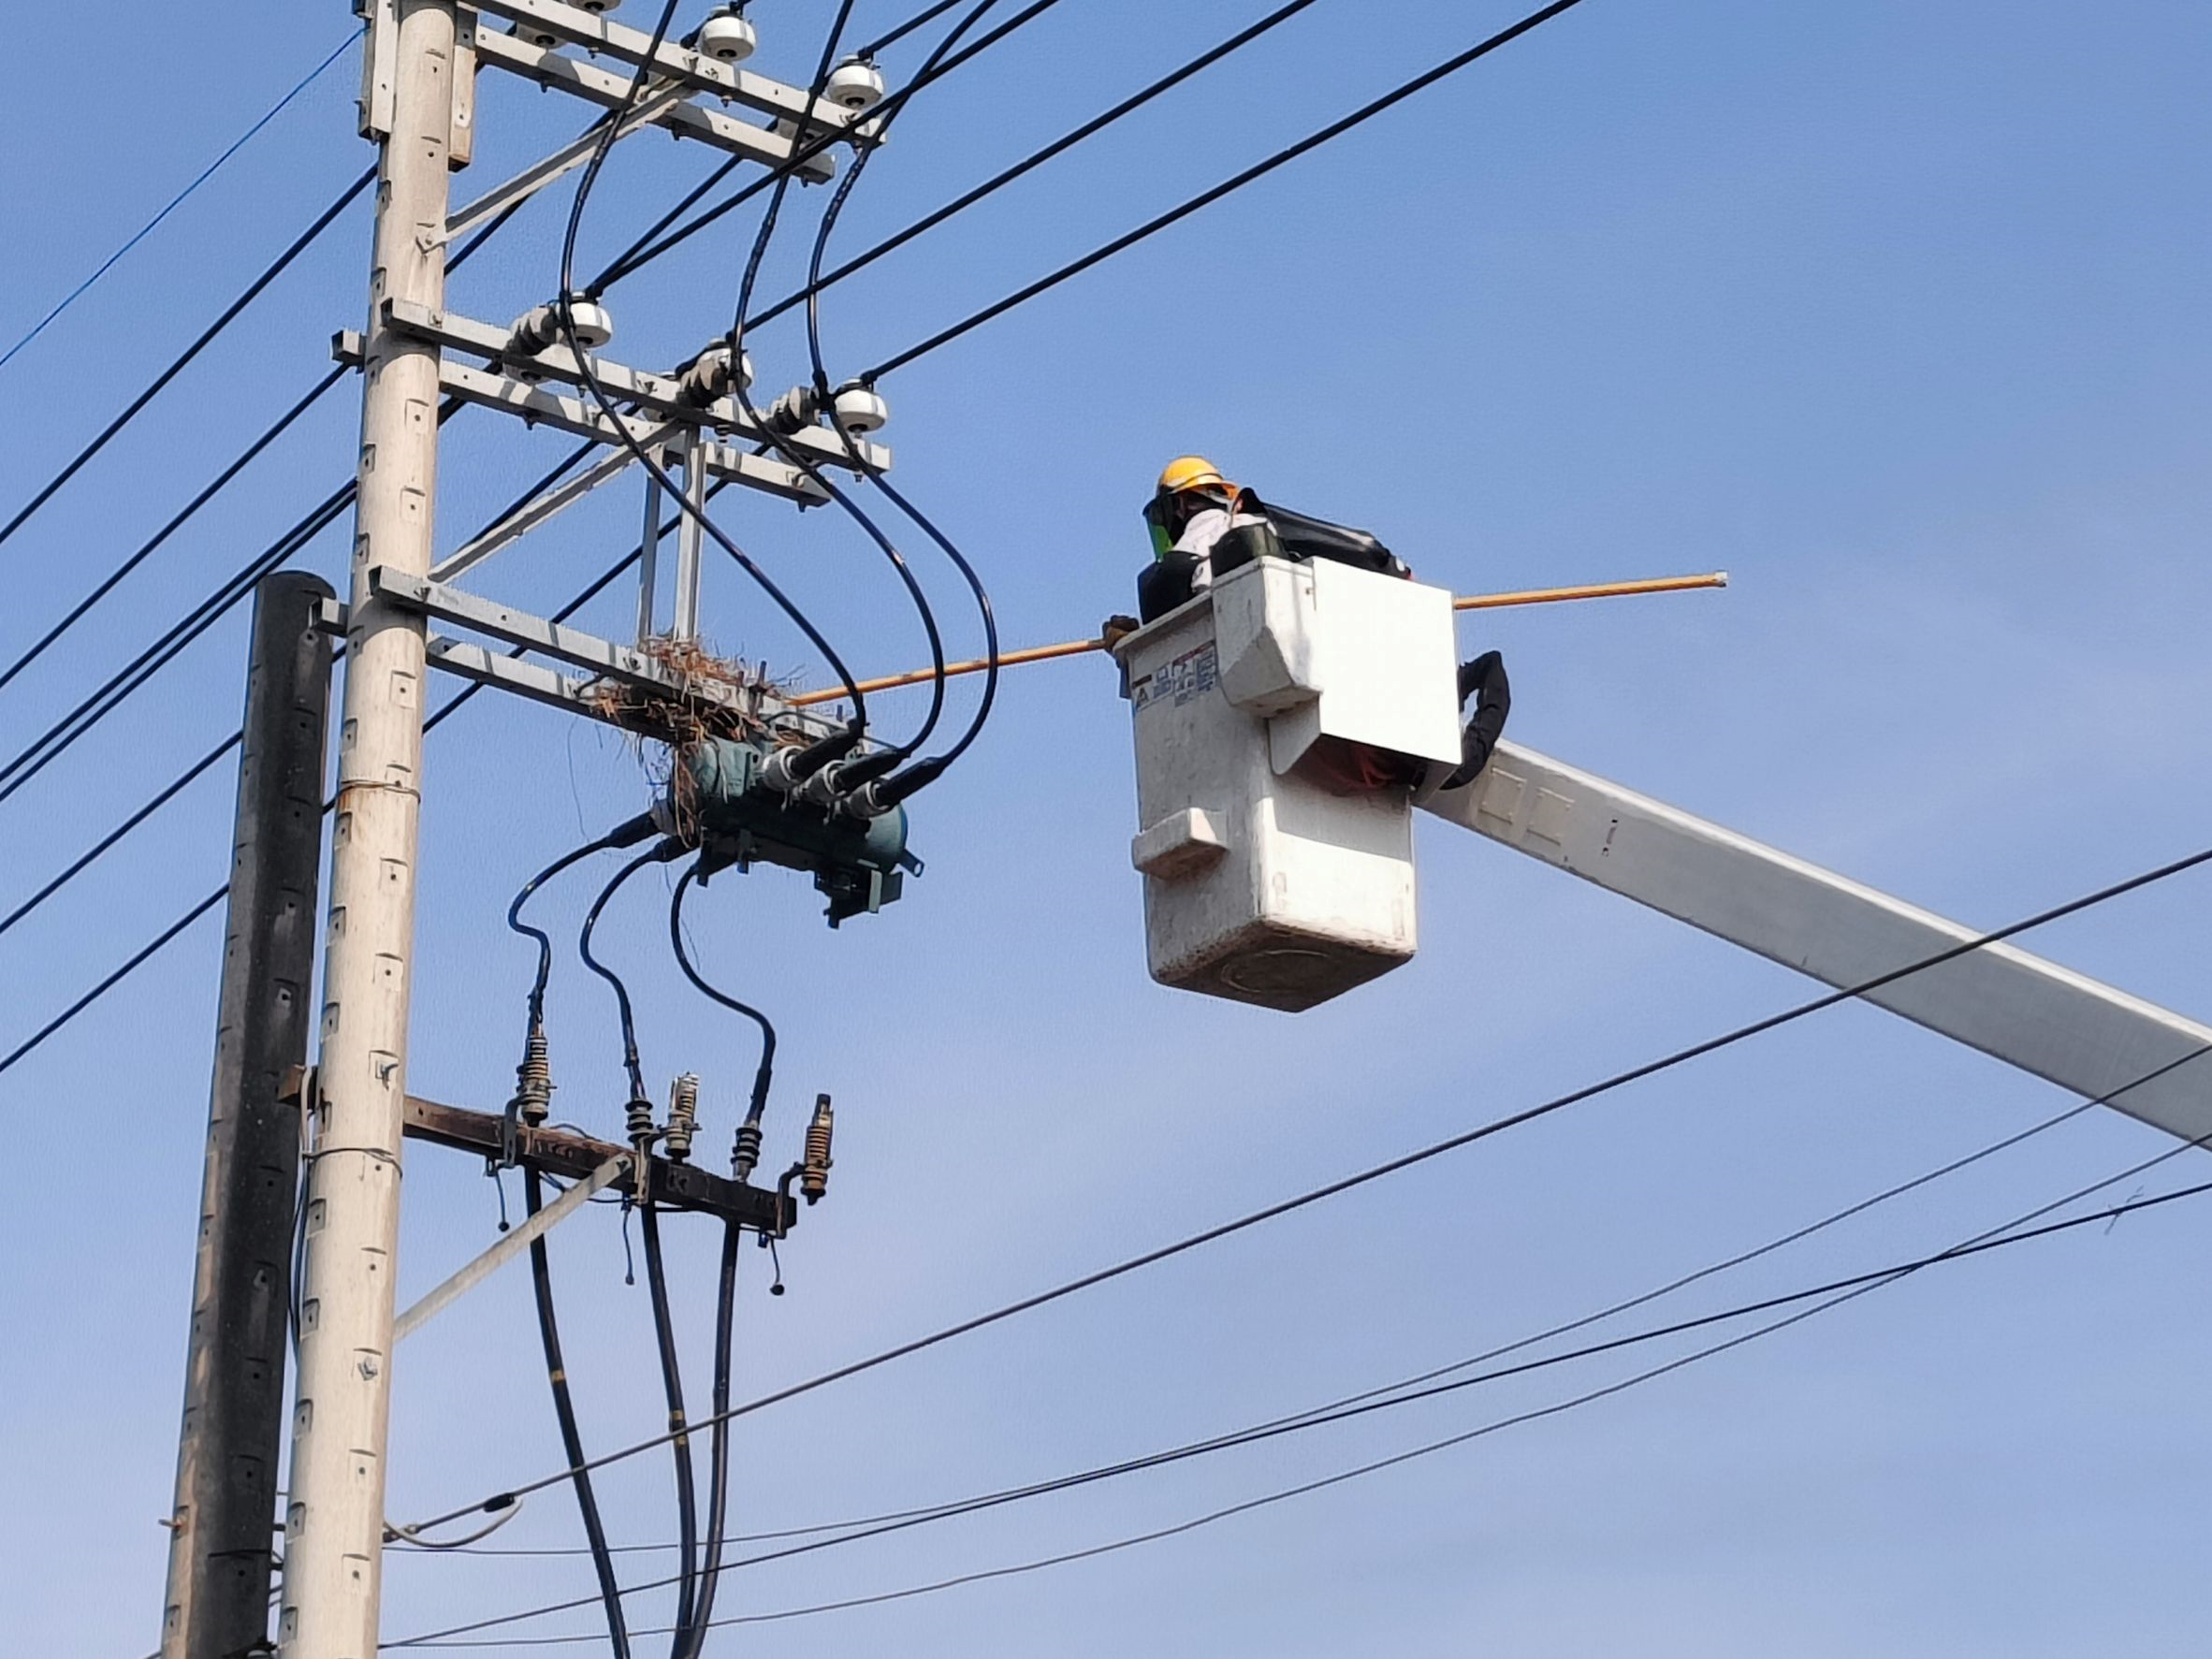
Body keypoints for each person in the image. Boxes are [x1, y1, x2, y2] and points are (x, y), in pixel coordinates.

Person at [1129, 455, 1511, 787]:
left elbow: (1192, 589)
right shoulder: (1406, 741)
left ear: (1178, 508)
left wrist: (1138, 645)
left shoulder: (1203, 541)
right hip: (1346, 698)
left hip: (1305, 703)